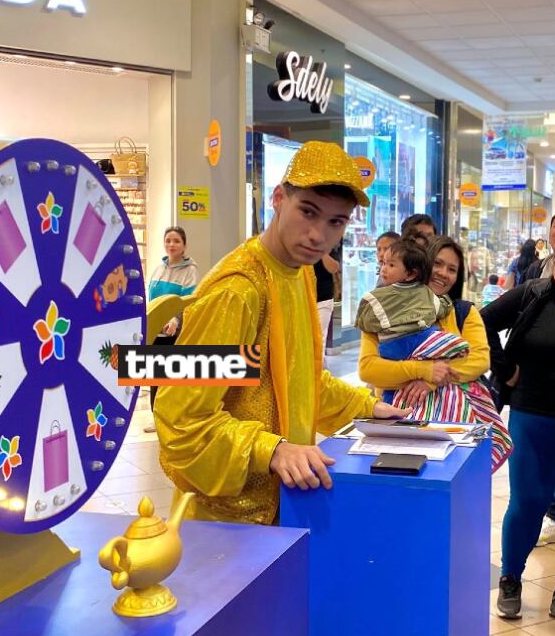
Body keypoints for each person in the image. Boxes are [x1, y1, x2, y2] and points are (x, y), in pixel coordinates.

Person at [154, 142, 405, 523]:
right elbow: (182, 420)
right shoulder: (236, 291)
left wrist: (368, 409)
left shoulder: (299, 273)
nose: (318, 234)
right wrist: (271, 450)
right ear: (277, 199)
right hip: (225, 523)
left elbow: (298, 381)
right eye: (308, 212)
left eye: (335, 222)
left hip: (278, 511)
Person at [483, 231, 555, 621]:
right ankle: (510, 579)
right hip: (531, 417)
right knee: (528, 502)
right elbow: (480, 321)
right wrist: (505, 369)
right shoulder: (534, 294)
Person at [358, 236, 510, 469]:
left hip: (451, 429)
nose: (442, 273)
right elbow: (369, 370)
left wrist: (430, 382)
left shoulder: (463, 313)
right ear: (419, 267)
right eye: (437, 264)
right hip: (394, 424)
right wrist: (424, 370)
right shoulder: (384, 311)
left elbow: (479, 361)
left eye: (452, 269)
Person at [354, 238, 452, 366]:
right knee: (450, 343)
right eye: (383, 263)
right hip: (422, 342)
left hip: (391, 348)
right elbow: (442, 309)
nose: (383, 269)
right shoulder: (425, 293)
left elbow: (365, 323)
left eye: (391, 265)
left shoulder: (376, 297)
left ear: (411, 274)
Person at [148, 226, 201, 338]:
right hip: (154, 330)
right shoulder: (159, 269)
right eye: (168, 241)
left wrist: (176, 320)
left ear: (184, 246)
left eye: (177, 241)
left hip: (176, 333)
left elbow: (188, 302)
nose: (171, 244)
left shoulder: (190, 271)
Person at [313, 244, 342, 352]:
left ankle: (318, 368)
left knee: (319, 339)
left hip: (323, 298)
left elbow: (334, 267)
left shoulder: (330, 240)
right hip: (302, 297)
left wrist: (321, 251)